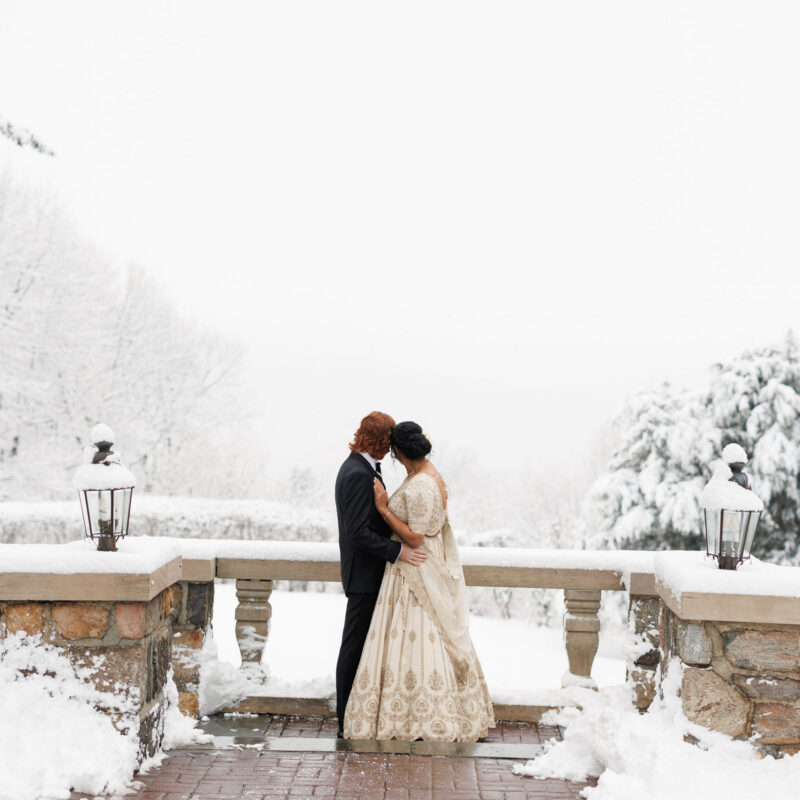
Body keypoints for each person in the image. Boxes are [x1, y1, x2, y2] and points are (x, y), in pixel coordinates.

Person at [343, 421, 494, 741]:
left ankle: (419, 717)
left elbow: (416, 537)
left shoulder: (423, 483)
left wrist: (384, 509)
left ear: (398, 452)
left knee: (423, 636)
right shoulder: (425, 474)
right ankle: (409, 712)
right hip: (411, 569)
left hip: (416, 570)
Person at [335, 412, 429, 739]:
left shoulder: (362, 468)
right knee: (353, 647)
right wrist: (398, 551)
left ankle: (357, 717)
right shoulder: (357, 474)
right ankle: (346, 722)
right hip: (363, 576)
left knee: (362, 649)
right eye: (389, 441)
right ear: (379, 439)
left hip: (368, 574)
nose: (392, 449)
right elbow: (358, 532)